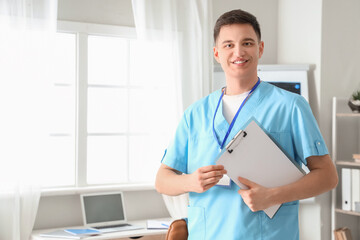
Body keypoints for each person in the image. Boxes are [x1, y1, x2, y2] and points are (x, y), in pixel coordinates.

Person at [155, 9, 338, 240]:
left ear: (260, 48)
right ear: (216, 53)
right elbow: (162, 180)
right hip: (208, 233)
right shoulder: (195, 114)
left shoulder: (290, 106)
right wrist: (191, 181)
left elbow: (327, 176)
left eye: (247, 43)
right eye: (228, 45)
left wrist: (274, 195)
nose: (238, 52)